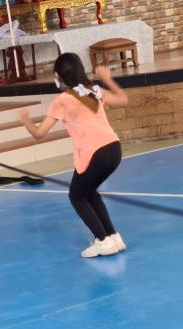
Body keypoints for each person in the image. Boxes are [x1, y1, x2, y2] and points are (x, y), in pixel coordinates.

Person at [18, 53, 128, 257]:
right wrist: (107, 79)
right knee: (89, 191)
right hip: (114, 149)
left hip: (95, 153)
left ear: (58, 76)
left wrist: (24, 119)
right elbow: (123, 99)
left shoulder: (62, 100)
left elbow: (39, 133)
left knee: (76, 196)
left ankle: (103, 241)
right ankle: (113, 237)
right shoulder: (93, 91)